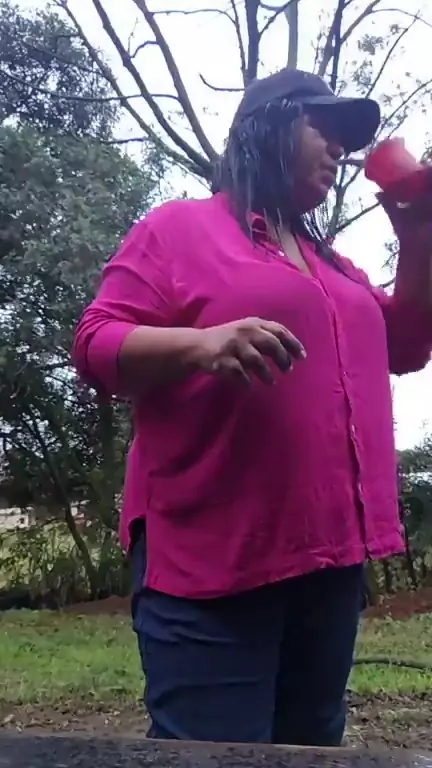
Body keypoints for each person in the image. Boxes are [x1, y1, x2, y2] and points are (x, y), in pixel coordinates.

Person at [73, 68, 432, 746]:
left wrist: (419, 231)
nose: (339, 150)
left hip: (329, 563)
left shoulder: (334, 266)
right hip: (213, 562)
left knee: (309, 749)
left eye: (346, 138)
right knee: (215, 754)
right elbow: (95, 343)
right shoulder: (179, 229)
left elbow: (409, 344)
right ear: (268, 128)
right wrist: (200, 345)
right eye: (323, 128)